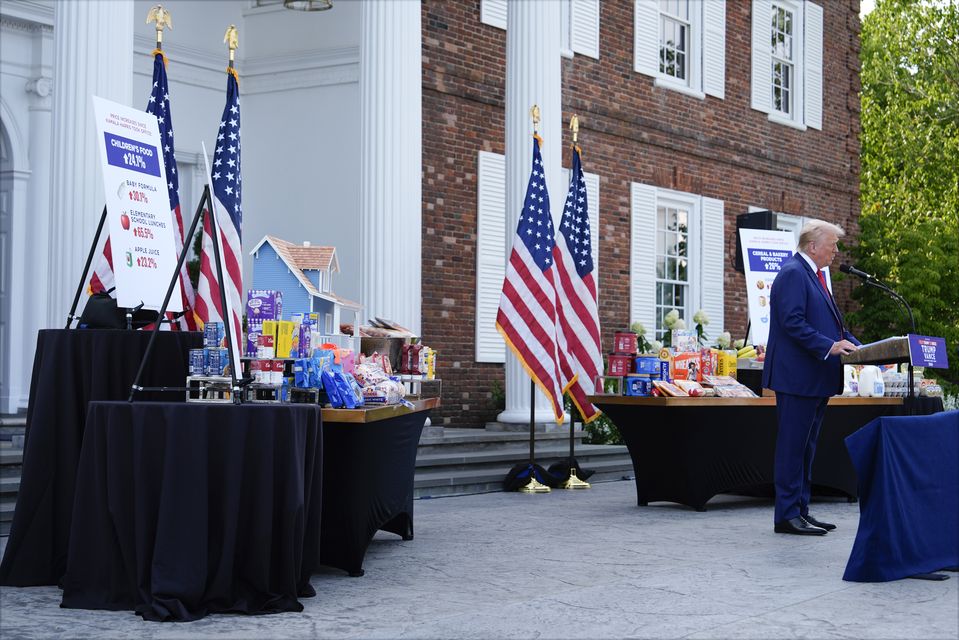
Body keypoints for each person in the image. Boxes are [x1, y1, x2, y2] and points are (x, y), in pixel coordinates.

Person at [762, 219, 860, 535]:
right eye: (832, 245)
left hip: (813, 378)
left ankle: (800, 511)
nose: (835, 251)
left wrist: (865, 350)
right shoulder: (793, 274)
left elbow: (833, 327)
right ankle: (787, 515)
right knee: (793, 448)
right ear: (813, 245)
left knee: (807, 448)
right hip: (797, 378)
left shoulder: (815, 276)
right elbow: (792, 323)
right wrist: (830, 346)